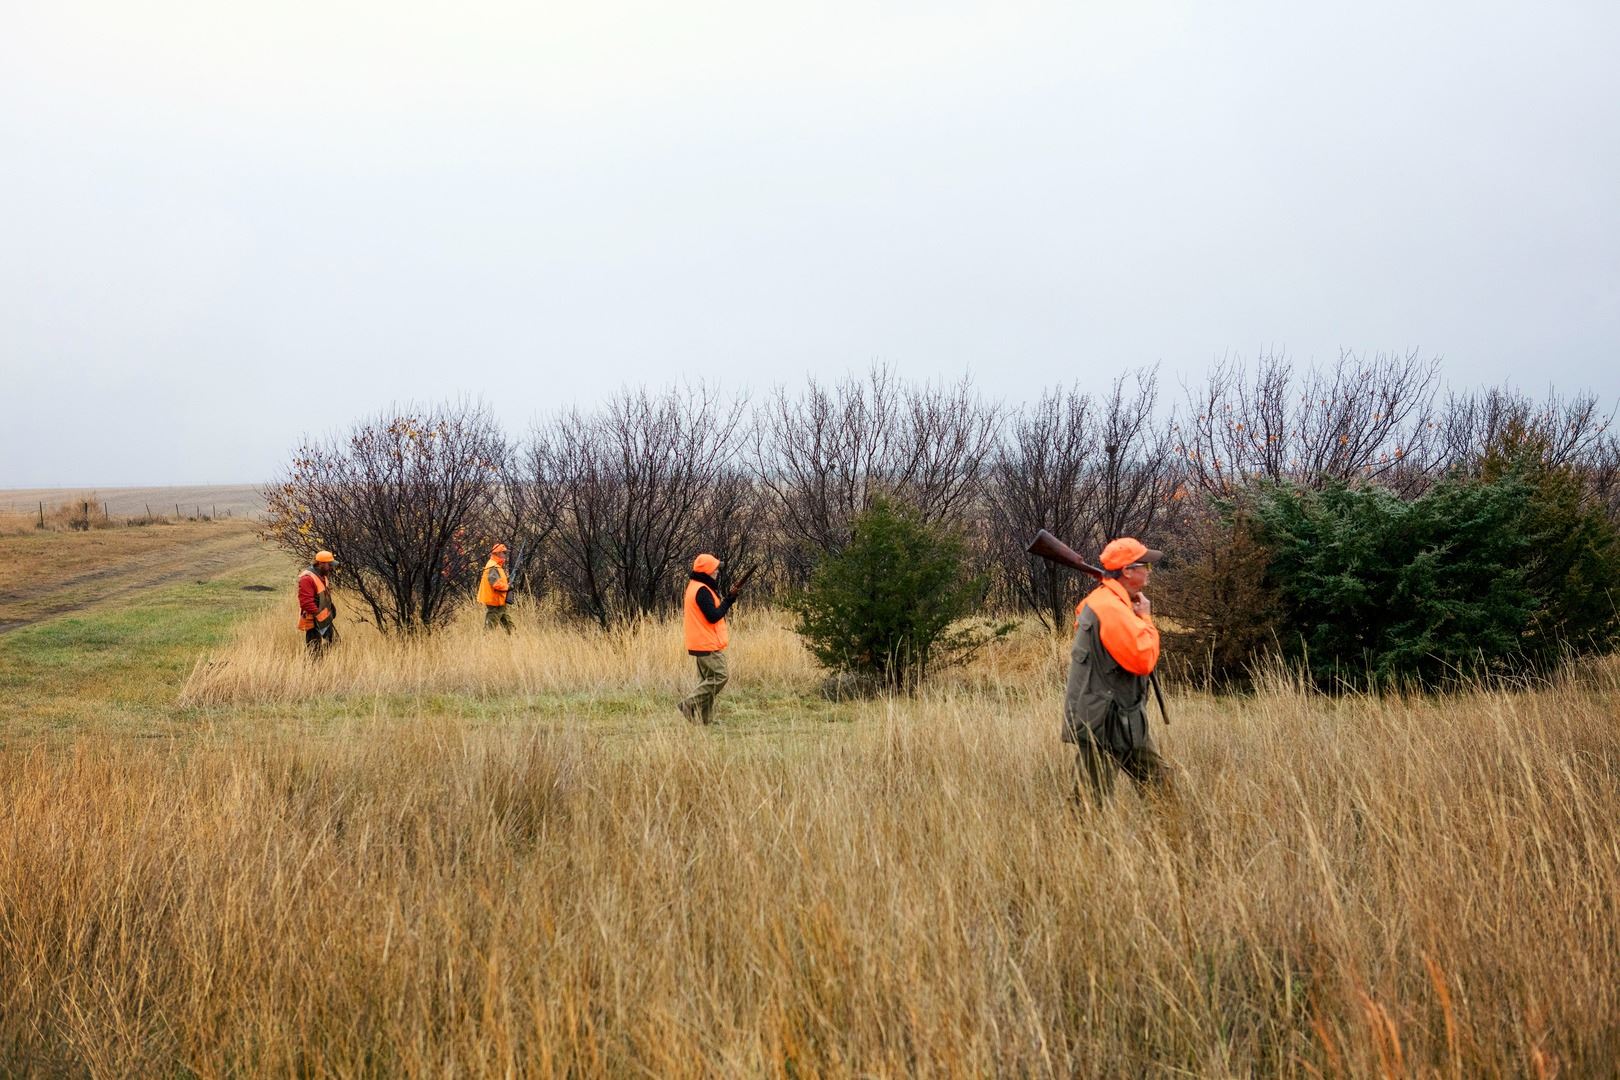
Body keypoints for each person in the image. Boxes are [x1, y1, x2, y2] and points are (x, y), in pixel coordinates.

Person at [1063, 537, 1169, 805]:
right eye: (1145, 566)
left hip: (1123, 717)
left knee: (1162, 789)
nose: (1149, 571)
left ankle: (1174, 828)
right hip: (1105, 721)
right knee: (1086, 804)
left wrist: (1128, 607)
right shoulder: (1110, 608)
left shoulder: (1106, 601)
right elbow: (1143, 660)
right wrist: (1145, 618)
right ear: (1127, 571)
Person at [679, 552, 737, 725]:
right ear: (707, 571)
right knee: (720, 676)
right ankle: (688, 705)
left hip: (699, 642)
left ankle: (707, 721)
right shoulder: (702, 590)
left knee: (708, 680)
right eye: (715, 568)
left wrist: (727, 599)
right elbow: (713, 616)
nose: (717, 571)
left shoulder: (695, 586)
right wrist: (728, 601)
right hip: (706, 643)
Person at [297, 550, 338, 657]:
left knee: (333, 643)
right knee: (314, 650)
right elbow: (306, 603)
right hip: (313, 620)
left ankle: (327, 664)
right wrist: (319, 615)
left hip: (324, 618)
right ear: (320, 564)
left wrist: (330, 609)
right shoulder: (307, 579)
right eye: (329, 565)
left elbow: (323, 596)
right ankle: (312, 667)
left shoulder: (322, 576)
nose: (331, 567)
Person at [478, 543, 513, 633]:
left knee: (506, 621)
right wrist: (507, 587)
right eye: (503, 552)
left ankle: (514, 636)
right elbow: (495, 583)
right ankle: (486, 639)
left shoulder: (496, 565)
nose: (505, 555)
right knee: (491, 624)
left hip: (499, 600)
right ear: (497, 553)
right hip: (494, 600)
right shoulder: (493, 566)